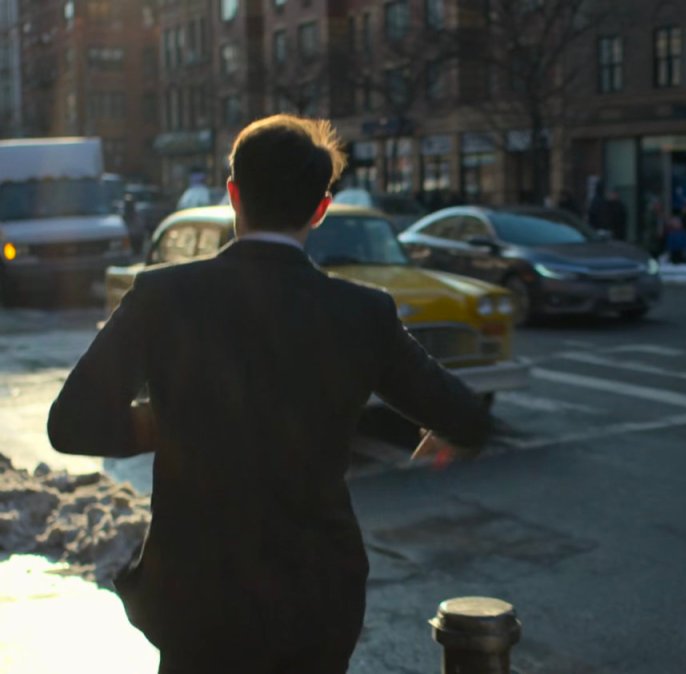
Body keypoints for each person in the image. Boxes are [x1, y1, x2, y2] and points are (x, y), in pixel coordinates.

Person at [46, 115, 492, 674]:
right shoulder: (361, 312)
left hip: (195, 599)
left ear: (233, 194)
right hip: (316, 599)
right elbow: (466, 417)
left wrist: (176, 420)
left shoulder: (163, 294)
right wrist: (440, 439)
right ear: (320, 209)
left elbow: (71, 424)